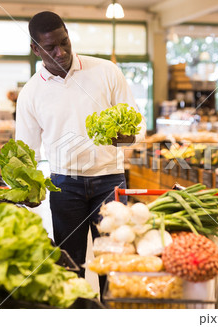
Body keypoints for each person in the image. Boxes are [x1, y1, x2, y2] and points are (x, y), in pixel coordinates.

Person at [15, 11, 146, 289]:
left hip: (110, 182)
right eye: (50, 48)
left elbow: (138, 122)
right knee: (69, 265)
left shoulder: (106, 71)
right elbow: (26, 151)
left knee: (113, 263)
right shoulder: (30, 93)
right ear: (35, 49)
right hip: (64, 184)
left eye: (65, 42)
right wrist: (27, 188)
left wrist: (128, 138)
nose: (61, 52)